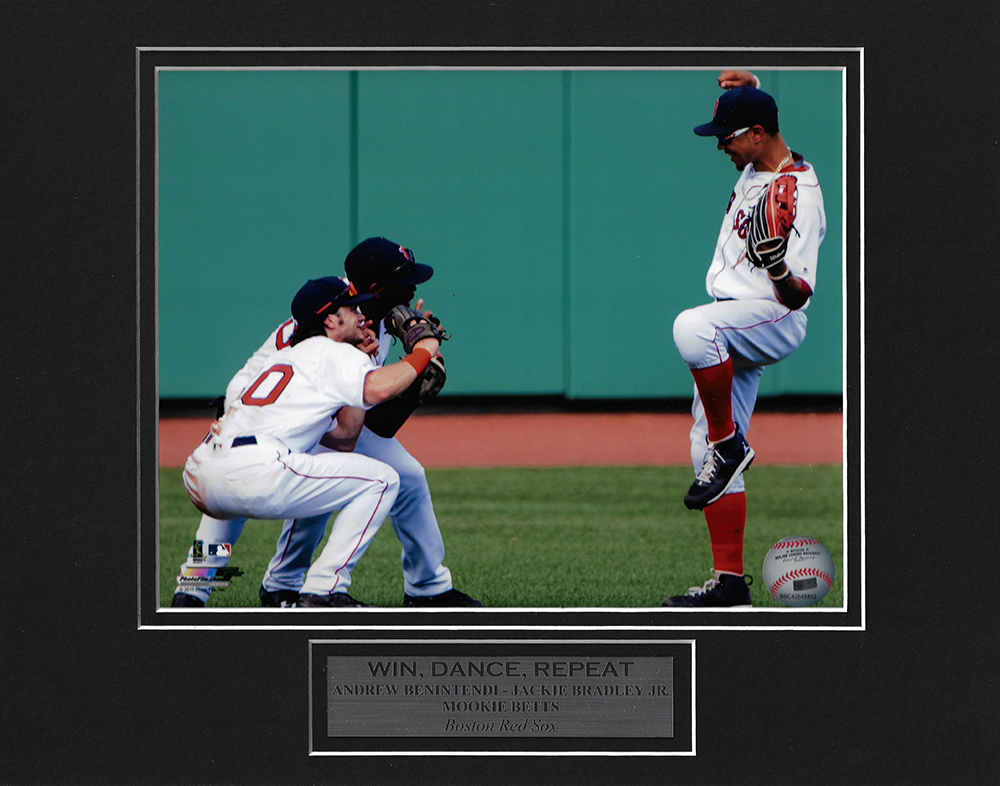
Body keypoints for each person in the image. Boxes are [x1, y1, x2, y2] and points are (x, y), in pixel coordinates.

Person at [171, 238, 481, 608]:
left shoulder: (356, 319)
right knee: (268, 482)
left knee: (406, 475)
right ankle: (278, 585)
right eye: (404, 280)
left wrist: (410, 392)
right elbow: (356, 398)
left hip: (282, 427)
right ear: (376, 289)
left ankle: (428, 588)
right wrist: (419, 356)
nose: (414, 288)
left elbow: (365, 425)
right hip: (261, 416)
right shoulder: (334, 321)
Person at [662, 71, 827, 607]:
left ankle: (730, 444)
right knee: (698, 446)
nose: (719, 144)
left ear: (756, 133)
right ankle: (730, 583)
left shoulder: (799, 193)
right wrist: (749, 87)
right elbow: (768, 126)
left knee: (691, 327)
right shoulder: (759, 159)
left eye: (727, 134)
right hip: (738, 318)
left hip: (774, 315)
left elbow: (798, 295)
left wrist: (778, 266)